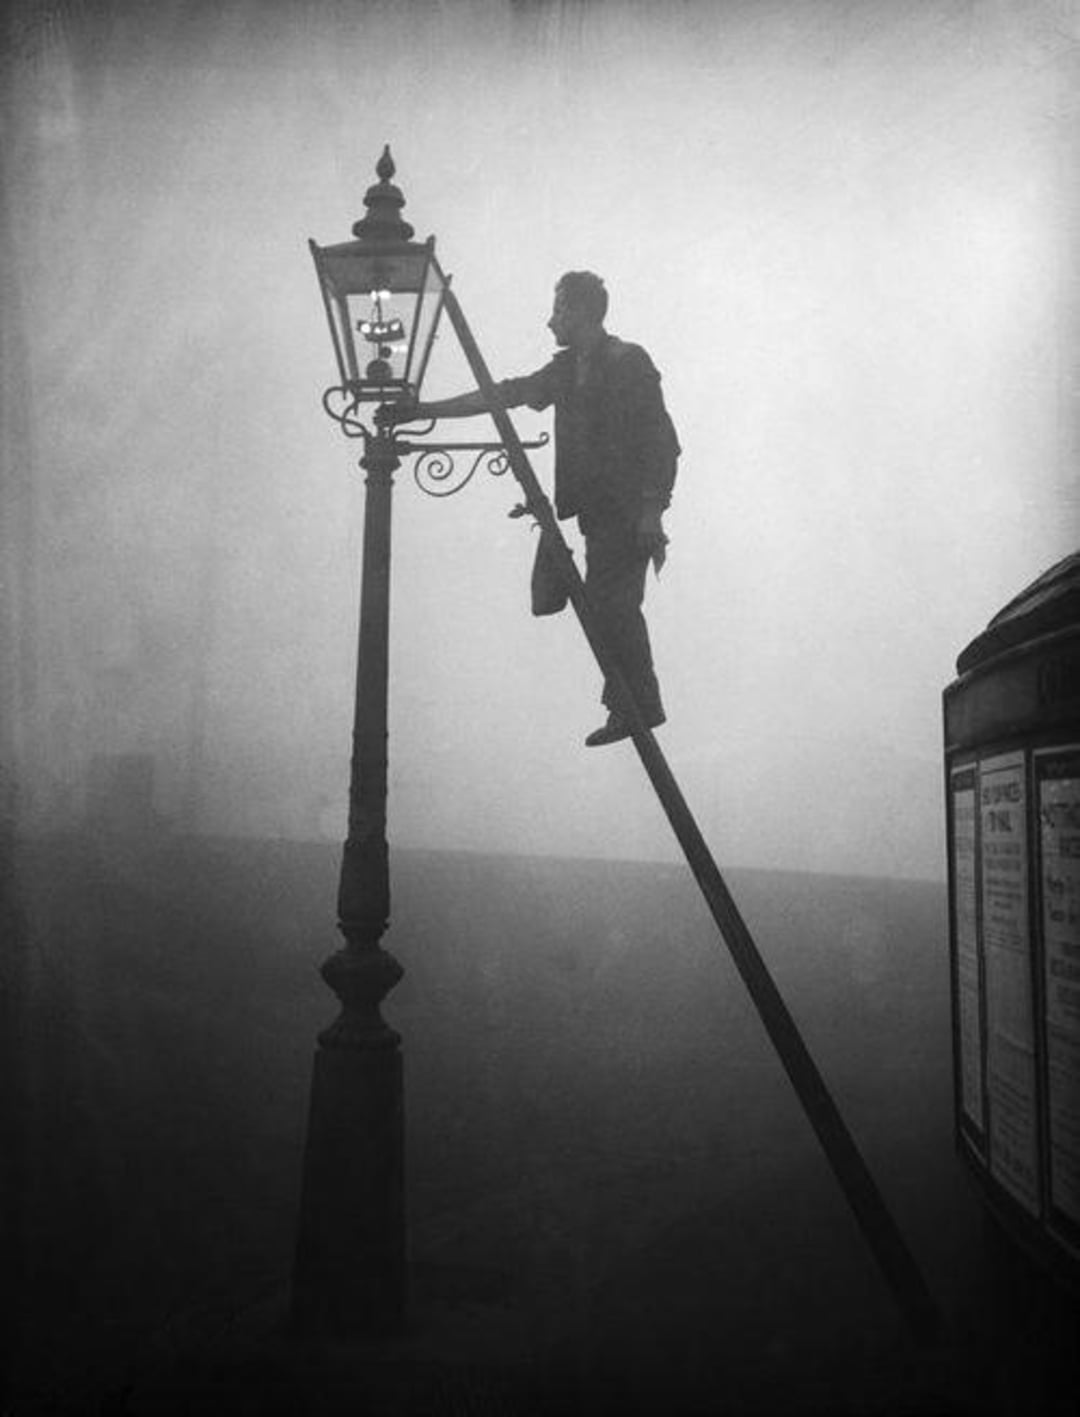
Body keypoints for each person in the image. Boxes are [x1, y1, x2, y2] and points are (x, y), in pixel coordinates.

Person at [381, 270, 679, 747]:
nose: (550, 321)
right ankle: (631, 705)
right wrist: (424, 411)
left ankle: (638, 706)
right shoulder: (566, 370)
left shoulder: (627, 362)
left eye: (559, 310)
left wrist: (652, 510)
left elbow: (661, 441)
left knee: (612, 607)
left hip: (627, 512)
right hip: (598, 514)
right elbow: (505, 394)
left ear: (582, 312)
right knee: (607, 608)